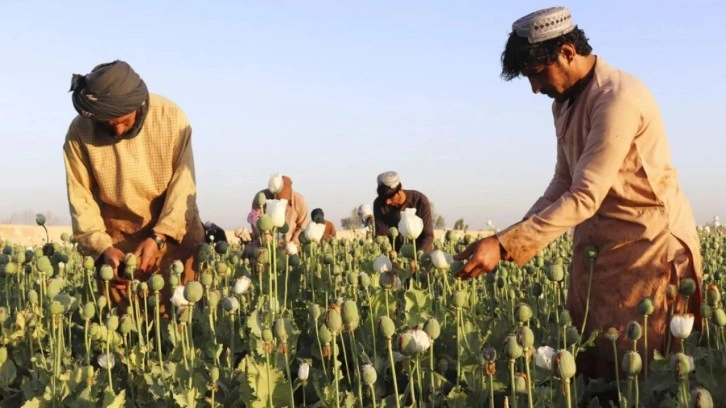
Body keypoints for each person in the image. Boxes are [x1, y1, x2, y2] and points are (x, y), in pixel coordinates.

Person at [454, 7, 703, 385]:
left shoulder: (616, 99)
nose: (535, 88)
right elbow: (563, 180)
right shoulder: (565, 102)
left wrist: (504, 247)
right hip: (598, 249)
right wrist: (503, 238)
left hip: (646, 249)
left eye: (537, 74)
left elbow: (584, 195)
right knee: (593, 361)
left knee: (643, 374)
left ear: (568, 52)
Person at [63, 60, 205, 316]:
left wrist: (158, 237)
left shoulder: (171, 119)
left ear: (138, 106)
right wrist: (103, 249)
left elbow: (183, 187)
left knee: (180, 324)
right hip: (118, 245)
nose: (116, 129)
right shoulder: (80, 132)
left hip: (173, 235)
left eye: (123, 121)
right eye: (108, 124)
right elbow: (80, 199)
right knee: (126, 329)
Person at [373, 171, 434, 252]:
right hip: (395, 256)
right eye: (384, 198)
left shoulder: (420, 201)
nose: (387, 202)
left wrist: (418, 256)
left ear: (400, 190)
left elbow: (428, 236)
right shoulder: (379, 204)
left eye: (390, 198)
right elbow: (381, 234)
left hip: (420, 254)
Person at [249, 175, 308, 244]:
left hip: (289, 243)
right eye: (278, 200)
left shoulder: (300, 202)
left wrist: (294, 240)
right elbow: (255, 220)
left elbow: (301, 226)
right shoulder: (261, 198)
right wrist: (266, 237)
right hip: (265, 242)